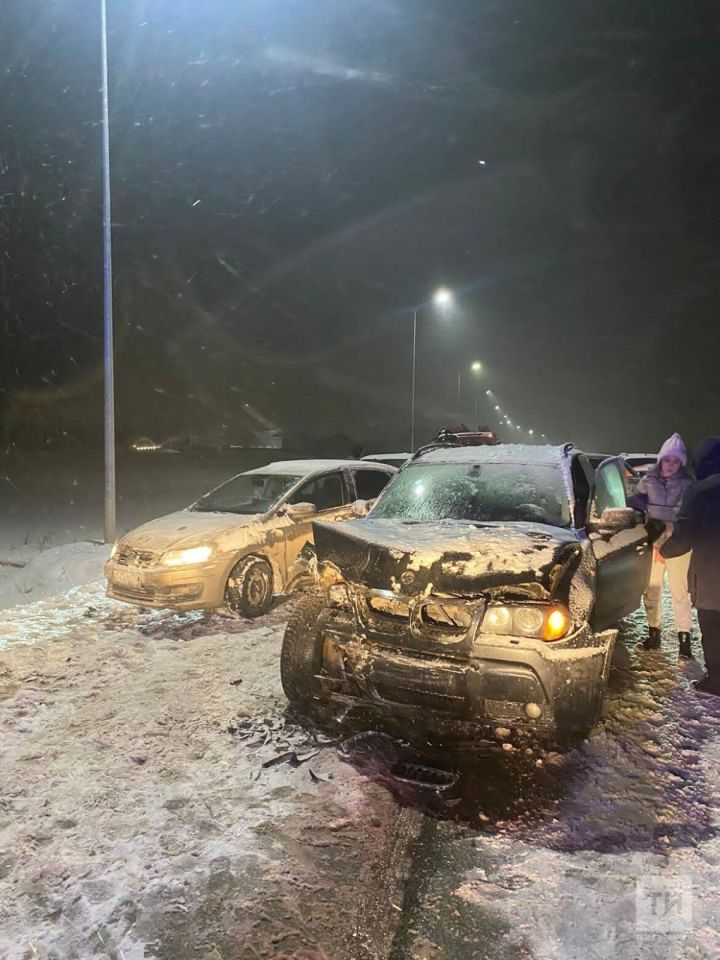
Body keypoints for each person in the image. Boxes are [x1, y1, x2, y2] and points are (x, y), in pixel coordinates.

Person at [662, 437, 720, 693]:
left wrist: (663, 549)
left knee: (713, 630)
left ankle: (716, 680)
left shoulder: (698, 492)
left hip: (711, 579)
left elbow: (682, 540)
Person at [629, 433, 694, 656]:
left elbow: (690, 518)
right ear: (661, 460)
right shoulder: (648, 481)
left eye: (676, 461)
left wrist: (671, 538)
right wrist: (642, 534)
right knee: (652, 590)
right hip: (654, 544)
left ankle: (684, 642)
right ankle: (653, 633)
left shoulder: (688, 485)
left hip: (678, 546)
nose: (670, 465)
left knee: (680, 592)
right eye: (667, 459)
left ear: (681, 463)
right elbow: (635, 511)